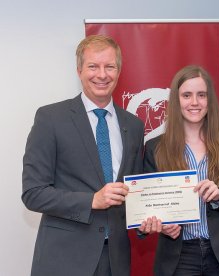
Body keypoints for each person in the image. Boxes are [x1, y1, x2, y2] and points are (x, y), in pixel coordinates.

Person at [22, 35, 159, 276]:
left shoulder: (134, 125)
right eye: (93, 66)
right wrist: (91, 201)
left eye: (109, 66)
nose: (102, 74)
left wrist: (144, 223)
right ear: (79, 70)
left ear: (119, 71)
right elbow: (33, 193)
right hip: (64, 260)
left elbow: (135, 192)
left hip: (115, 261)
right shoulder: (51, 118)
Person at [143, 65, 219, 275]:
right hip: (179, 257)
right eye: (187, 95)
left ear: (209, 99)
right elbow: (148, 207)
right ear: (176, 100)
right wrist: (162, 224)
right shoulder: (155, 147)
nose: (194, 102)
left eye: (201, 95)